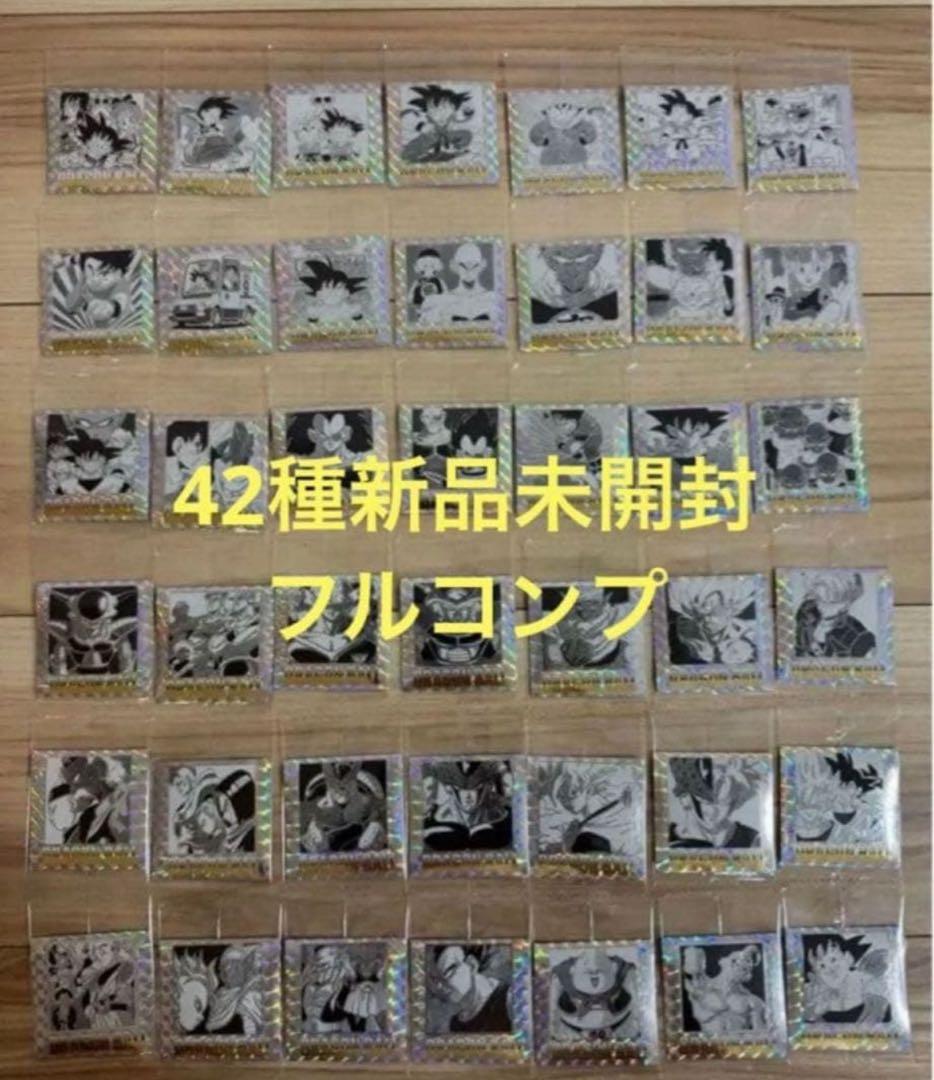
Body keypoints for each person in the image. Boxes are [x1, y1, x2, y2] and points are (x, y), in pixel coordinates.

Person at [430, 945, 511, 1033]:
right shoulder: (456, 1025)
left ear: (471, 965)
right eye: (438, 981)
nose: (440, 986)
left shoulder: (509, 999)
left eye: (449, 972)